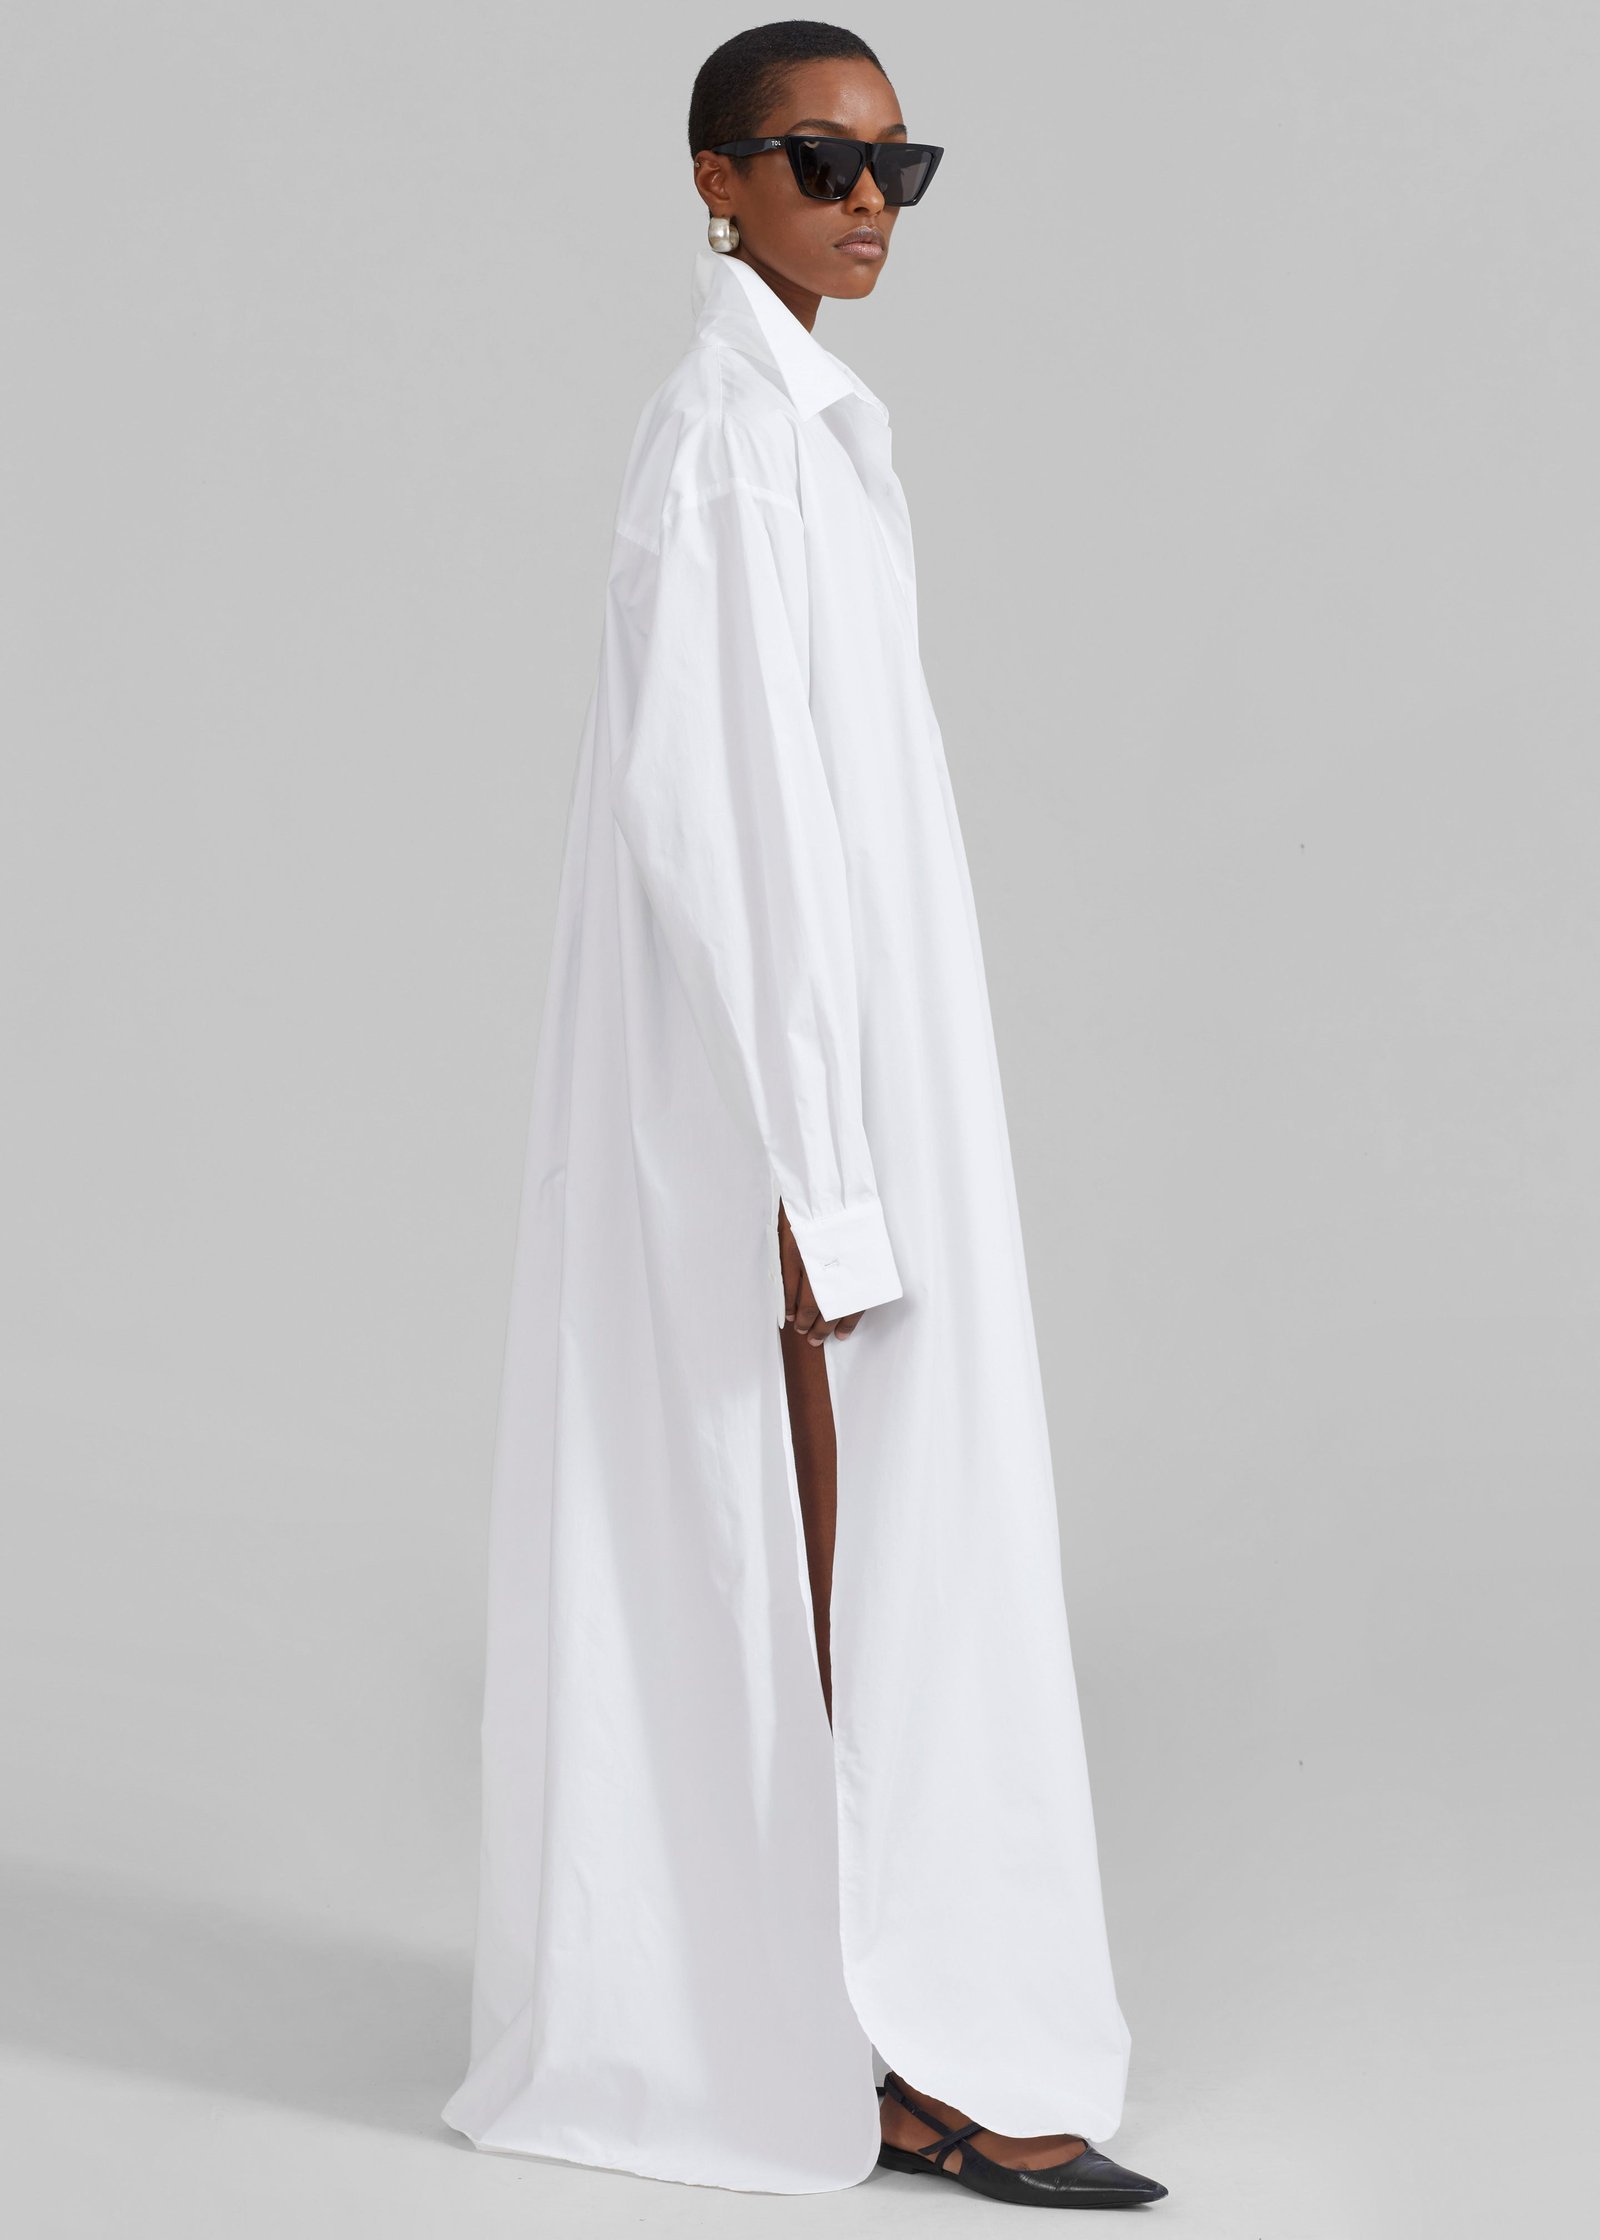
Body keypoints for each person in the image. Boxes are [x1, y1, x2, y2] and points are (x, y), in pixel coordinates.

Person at [440, 19, 1168, 2211]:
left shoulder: (811, 434)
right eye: (818, 162)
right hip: (795, 1105)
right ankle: (902, 2051)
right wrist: (811, 1172)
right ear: (713, 179)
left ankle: (873, 2029)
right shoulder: (729, 454)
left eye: (896, 168)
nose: (866, 204)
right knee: (840, 1552)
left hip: (861, 1073)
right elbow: (730, 834)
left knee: (879, 1545)